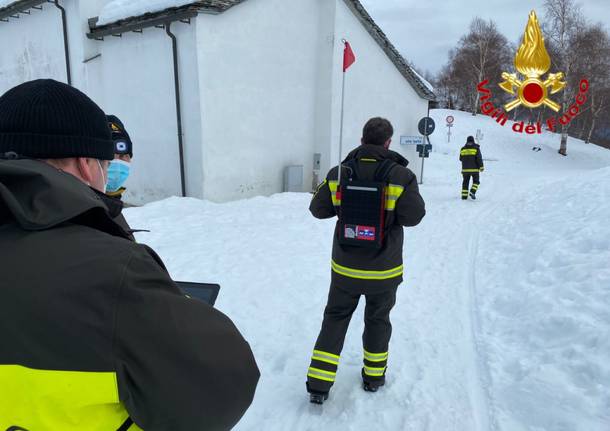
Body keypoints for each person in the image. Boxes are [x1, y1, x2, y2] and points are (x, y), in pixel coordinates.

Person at [0, 79, 259, 431]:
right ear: (86, 162)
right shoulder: (111, 272)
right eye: (107, 162)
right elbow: (226, 382)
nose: (112, 172)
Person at [306, 117, 426, 404]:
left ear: (362, 141)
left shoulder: (339, 172)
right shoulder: (401, 176)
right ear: (388, 143)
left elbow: (318, 210)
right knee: (378, 320)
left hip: (345, 271)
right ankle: (373, 378)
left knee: (334, 319)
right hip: (384, 272)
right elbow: (413, 217)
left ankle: (319, 386)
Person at [459, 135, 484, 200]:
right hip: (474, 169)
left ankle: (464, 196)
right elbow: (479, 158)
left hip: (465, 170)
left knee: (465, 182)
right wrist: (481, 167)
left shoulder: (463, 149)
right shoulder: (476, 148)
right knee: (476, 181)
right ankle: (472, 191)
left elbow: (460, 159)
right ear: (473, 141)